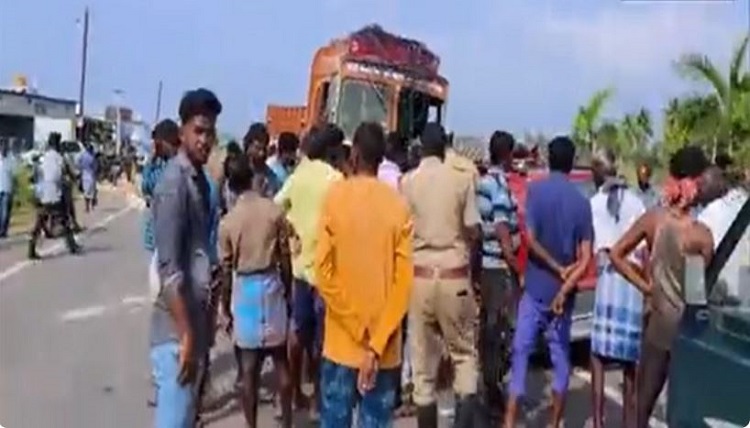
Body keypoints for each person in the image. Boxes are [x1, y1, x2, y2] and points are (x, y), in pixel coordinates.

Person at [313, 122, 412, 427]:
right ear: (382, 158)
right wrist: (376, 343)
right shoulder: (398, 206)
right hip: (384, 351)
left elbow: (323, 272)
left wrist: (357, 328)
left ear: (354, 154)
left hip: (341, 344)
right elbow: (403, 284)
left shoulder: (335, 197)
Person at [608, 146, 714, 428]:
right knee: (683, 412)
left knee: (641, 405)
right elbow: (695, 294)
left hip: (656, 327)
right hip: (686, 332)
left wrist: (646, 287)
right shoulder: (701, 235)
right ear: (695, 182)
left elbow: (616, 255)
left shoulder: (654, 219)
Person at [505, 136, 594, 428]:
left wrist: (555, 268)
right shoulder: (581, 203)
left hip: (536, 289)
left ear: (549, 160)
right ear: (571, 163)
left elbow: (530, 241)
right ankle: (555, 423)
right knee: (561, 358)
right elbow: (585, 258)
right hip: (562, 297)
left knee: (521, 353)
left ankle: (509, 420)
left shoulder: (536, 191)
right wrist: (565, 283)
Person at [149, 88, 222, 428]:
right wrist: (187, 336)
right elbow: (170, 272)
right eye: (199, 131)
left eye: (210, 132)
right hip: (176, 335)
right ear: (182, 132)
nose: (205, 140)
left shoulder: (201, 184)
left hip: (194, 329)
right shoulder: (173, 185)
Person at [400, 122, 480, 428]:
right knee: (464, 356)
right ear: (446, 146)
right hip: (454, 276)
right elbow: (472, 229)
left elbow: (403, 229)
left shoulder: (408, 182)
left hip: (419, 277)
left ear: (421, 147)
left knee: (423, 370)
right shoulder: (462, 180)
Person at [218, 152, 293, 428]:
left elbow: (226, 270)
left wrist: (226, 306)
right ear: (252, 178)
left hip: (245, 291)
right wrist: (287, 291)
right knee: (281, 360)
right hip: (271, 284)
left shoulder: (228, 222)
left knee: (248, 370)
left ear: (230, 186)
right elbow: (285, 257)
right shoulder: (274, 211)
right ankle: (287, 421)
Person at [274, 125, 344, 417]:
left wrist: (291, 232)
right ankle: (316, 397)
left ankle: (292, 393)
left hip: (300, 268)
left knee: (297, 333)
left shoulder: (297, 176)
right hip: (327, 272)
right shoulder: (336, 180)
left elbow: (276, 208)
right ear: (332, 150)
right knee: (322, 341)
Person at [588, 149, 646, 428]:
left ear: (599, 172)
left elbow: (594, 247)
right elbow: (644, 250)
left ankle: (598, 421)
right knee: (629, 360)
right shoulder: (636, 203)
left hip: (608, 279)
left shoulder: (594, 203)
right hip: (632, 281)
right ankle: (628, 422)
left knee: (598, 355)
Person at [475, 130, 521, 426]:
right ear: (506, 155)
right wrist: (516, 267)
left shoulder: (482, 183)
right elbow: (503, 229)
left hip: (484, 265)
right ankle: (493, 398)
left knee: (489, 333)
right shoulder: (499, 185)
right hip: (498, 267)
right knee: (498, 333)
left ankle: (489, 392)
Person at [697, 164, 749, 303]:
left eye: (703, 184)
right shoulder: (743, 205)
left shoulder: (709, 214)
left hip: (718, 301)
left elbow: (696, 262)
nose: (699, 190)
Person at [28, 133, 80, 259]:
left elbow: (35, 176)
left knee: (39, 221)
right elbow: (70, 173)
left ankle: (31, 248)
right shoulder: (60, 158)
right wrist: (74, 178)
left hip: (42, 195)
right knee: (64, 220)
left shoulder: (43, 158)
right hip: (55, 194)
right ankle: (72, 246)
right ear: (57, 144)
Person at [243, 123, 281, 197]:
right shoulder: (237, 168)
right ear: (248, 145)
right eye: (258, 148)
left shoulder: (269, 175)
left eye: (263, 149)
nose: (261, 153)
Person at [0, 141, 18, 238]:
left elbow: (14, 175)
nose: (3, 149)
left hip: (7, 188)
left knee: (5, 212)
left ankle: (3, 231)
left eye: (5, 147)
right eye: (2, 147)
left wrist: (15, 189)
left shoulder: (11, 159)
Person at [77, 143, 98, 212]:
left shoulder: (83, 155)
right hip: (91, 175)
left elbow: (78, 163)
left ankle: (87, 207)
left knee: (86, 192)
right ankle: (92, 206)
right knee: (92, 191)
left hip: (84, 174)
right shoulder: (92, 157)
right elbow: (95, 167)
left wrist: (81, 169)